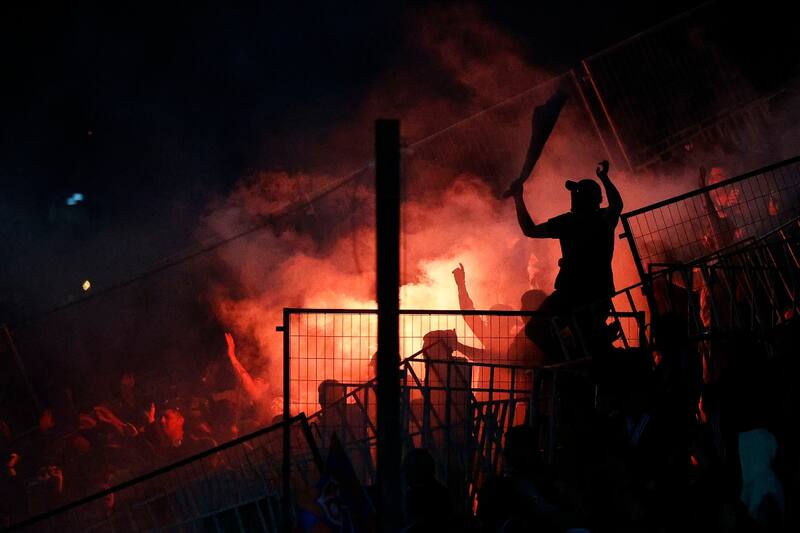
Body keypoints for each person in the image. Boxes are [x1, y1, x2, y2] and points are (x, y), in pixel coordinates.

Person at [510, 160, 623, 360]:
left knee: (539, 330)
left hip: (572, 294)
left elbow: (530, 230)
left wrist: (518, 198)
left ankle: (567, 359)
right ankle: (572, 359)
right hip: (596, 292)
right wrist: (604, 178)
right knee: (585, 342)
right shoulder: (603, 219)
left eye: (578, 193)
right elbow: (617, 205)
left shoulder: (571, 222)